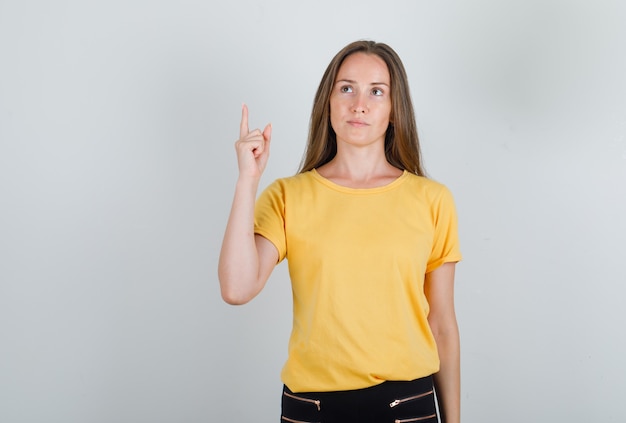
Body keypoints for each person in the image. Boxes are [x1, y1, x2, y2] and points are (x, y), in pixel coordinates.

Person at [218, 40, 462, 423]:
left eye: (376, 92)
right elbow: (236, 288)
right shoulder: (287, 195)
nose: (359, 104)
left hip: (408, 407)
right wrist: (247, 181)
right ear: (328, 102)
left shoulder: (432, 200)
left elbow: (442, 325)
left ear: (394, 109)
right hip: (312, 409)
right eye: (346, 88)